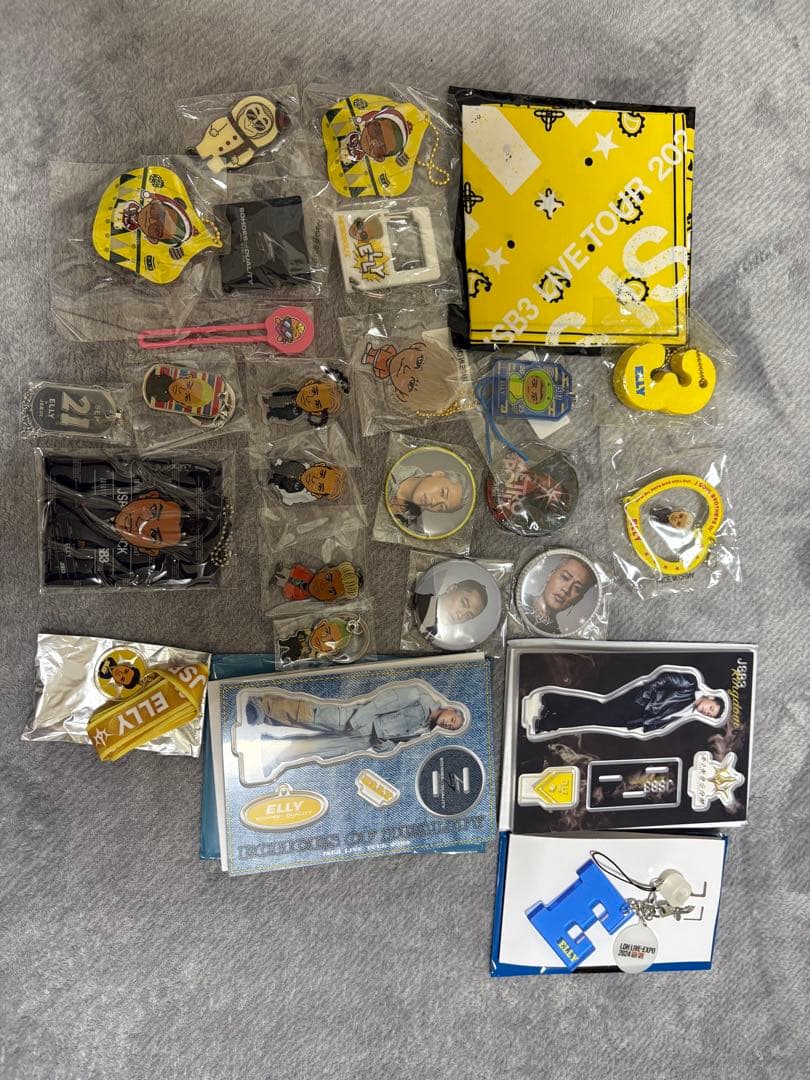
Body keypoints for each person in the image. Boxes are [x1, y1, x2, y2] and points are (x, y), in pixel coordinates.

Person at [239, 680, 468, 781]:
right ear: (449, 709)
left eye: (452, 726)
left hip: (362, 741)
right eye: (452, 719)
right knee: (312, 716)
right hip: (358, 721)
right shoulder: (418, 696)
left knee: (317, 748)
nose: (449, 724)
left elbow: (395, 742)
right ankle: (264, 707)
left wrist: (383, 746)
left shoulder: (424, 729)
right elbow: (381, 703)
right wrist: (358, 720)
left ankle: (275, 754)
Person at [529, 666, 729, 737]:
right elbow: (665, 678)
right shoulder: (690, 685)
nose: (707, 712)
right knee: (594, 715)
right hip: (638, 703)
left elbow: (665, 717)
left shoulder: (690, 713)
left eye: (709, 714)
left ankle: (552, 702)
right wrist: (645, 696)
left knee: (595, 711)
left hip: (638, 719)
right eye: (710, 708)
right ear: (710, 697)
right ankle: (548, 723)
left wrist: (646, 727)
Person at [361, 338, 461, 416]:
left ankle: (368, 358)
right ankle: (371, 353)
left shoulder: (382, 374)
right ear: (419, 346)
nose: (406, 369)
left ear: (401, 395)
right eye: (418, 362)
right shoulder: (391, 350)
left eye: (411, 384)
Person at [388, 463, 470, 531]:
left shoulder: (411, 534)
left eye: (441, 507)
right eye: (443, 493)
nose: (434, 502)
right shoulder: (389, 462)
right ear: (438, 474)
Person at [529, 555, 596, 634]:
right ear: (551, 574)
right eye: (565, 577)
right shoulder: (518, 602)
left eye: (577, 588)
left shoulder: (556, 635)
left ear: (578, 599)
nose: (566, 589)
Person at [263, 372, 348, 427]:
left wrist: (270, 414)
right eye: (313, 391)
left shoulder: (294, 414)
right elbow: (276, 394)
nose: (309, 398)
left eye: (316, 404)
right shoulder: (288, 390)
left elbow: (283, 416)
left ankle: (269, 410)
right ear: (310, 383)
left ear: (317, 412)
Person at [414, 578, 487, 639]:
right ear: (452, 589)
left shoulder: (436, 638)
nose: (460, 615)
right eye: (463, 603)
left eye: (468, 616)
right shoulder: (414, 601)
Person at [267, 460, 346, 505]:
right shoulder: (300, 466)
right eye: (321, 473)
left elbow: (290, 499)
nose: (314, 479)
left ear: (317, 494)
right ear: (320, 465)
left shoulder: (301, 492)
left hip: (274, 486)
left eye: (319, 487)